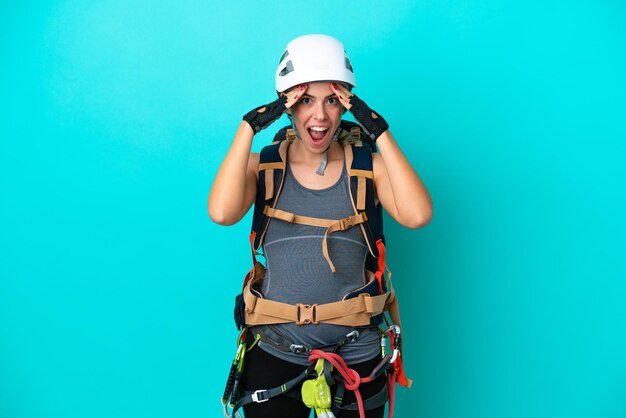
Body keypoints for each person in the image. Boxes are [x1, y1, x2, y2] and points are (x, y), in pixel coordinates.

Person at [209, 34, 432, 418]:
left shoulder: (368, 167)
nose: (321, 116)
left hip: (357, 351)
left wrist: (379, 132)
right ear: (287, 106)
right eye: (306, 100)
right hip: (277, 347)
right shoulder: (262, 166)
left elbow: (417, 215)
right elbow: (222, 213)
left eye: (333, 100)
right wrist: (248, 127)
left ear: (347, 104)